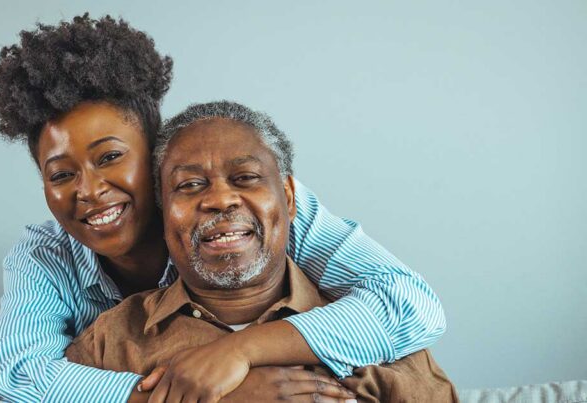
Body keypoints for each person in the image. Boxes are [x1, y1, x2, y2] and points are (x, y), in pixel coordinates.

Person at [0, 14, 446, 403]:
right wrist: (212, 396)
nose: (90, 189)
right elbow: (12, 379)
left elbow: (410, 305)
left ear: (158, 155)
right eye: (61, 174)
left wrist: (240, 353)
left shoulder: (257, 209)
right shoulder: (46, 258)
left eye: (111, 157)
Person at [65, 100, 458, 403]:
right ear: (162, 212)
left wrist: (242, 352)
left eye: (245, 178)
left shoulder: (384, 341)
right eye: (189, 185)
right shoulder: (110, 343)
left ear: (288, 197)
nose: (220, 199)